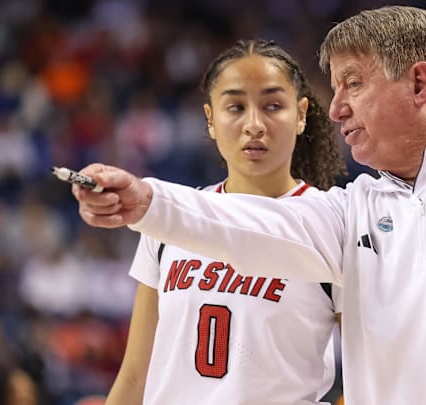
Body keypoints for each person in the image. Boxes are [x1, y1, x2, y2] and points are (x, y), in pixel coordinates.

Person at [73, 6, 426, 405]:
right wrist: (147, 199)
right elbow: (248, 222)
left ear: (420, 84)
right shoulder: (355, 209)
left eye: (352, 83)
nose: (336, 107)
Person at [104, 39, 346, 405]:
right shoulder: (171, 221)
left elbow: (373, 379)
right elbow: (136, 375)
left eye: (273, 106)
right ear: (211, 120)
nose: (254, 125)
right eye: (235, 107)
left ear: (300, 115)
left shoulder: (333, 225)